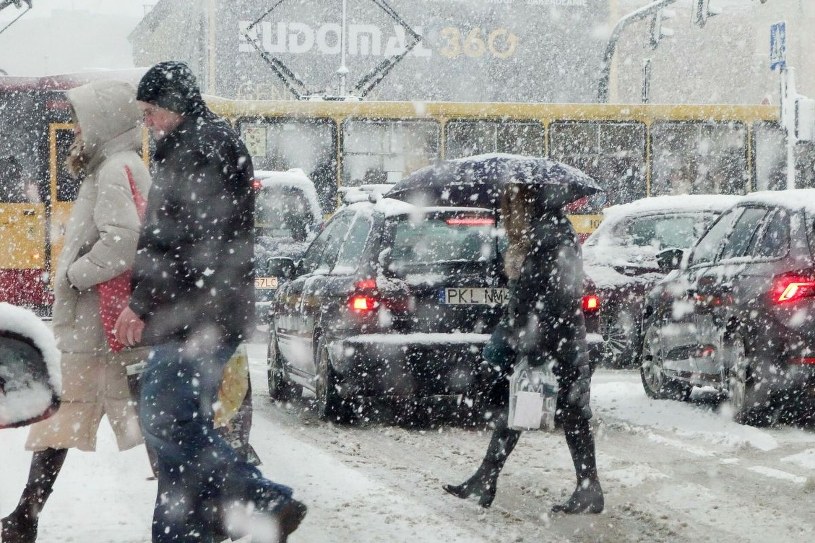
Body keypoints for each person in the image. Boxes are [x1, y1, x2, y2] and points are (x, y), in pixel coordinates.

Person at [113, 61, 306, 543]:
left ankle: (261, 498)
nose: (148, 121)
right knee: (181, 425)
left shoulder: (196, 150)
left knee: (166, 419)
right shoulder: (204, 141)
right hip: (208, 309)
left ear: (174, 106)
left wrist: (140, 301)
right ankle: (184, 533)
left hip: (196, 314)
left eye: (152, 111)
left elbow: (177, 238)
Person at [1, 79, 154, 542]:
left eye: (81, 121)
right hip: (105, 327)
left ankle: (229, 498)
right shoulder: (119, 164)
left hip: (98, 328)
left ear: (103, 122)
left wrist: (73, 276)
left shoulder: (112, 170)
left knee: (70, 419)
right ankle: (24, 515)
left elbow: (124, 241)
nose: (75, 131)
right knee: (139, 423)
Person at [443, 181, 604, 514]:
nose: (506, 210)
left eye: (510, 202)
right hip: (552, 337)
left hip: (553, 340)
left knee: (562, 411)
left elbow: (554, 294)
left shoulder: (550, 236)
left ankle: (587, 489)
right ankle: (488, 479)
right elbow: (535, 291)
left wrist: (536, 341)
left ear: (527, 201)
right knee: (524, 405)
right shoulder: (545, 232)